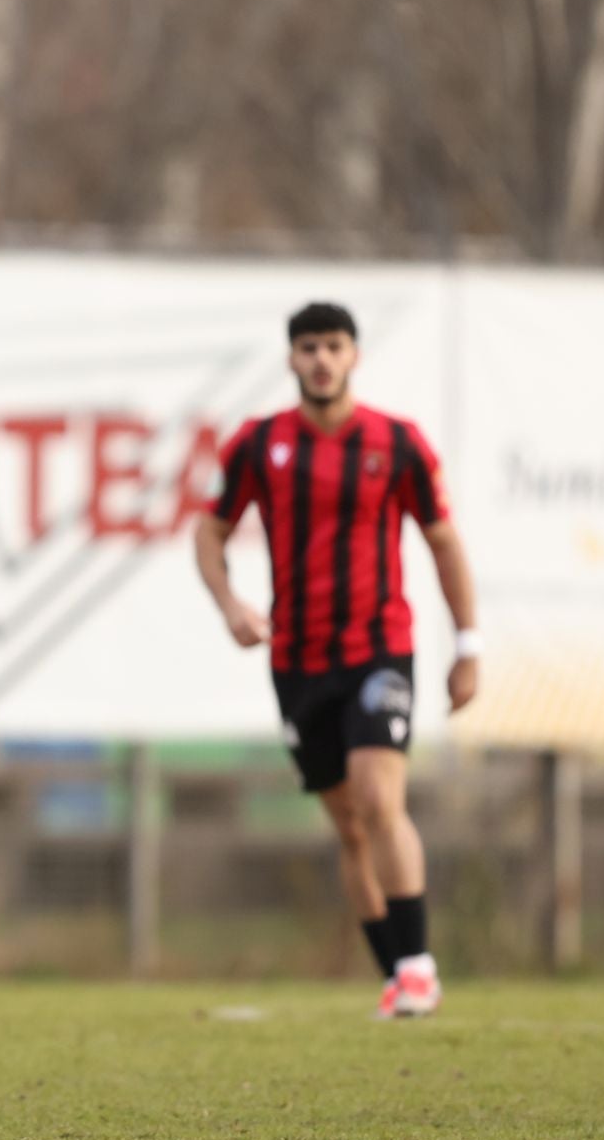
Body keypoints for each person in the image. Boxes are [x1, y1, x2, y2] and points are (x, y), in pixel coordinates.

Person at [195, 301, 478, 1019]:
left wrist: (467, 644)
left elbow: (444, 542)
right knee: (349, 823)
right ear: (292, 358)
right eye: (309, 346)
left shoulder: (397, 442)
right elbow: (211, 529)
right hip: (297, 658)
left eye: (334, 346)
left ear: (354, 355)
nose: (321, 358)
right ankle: (396, 973)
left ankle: (417, 967)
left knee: (382, 799)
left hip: (379, 646)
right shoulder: (259, 445)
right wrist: (230, 605)